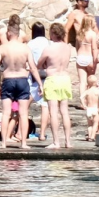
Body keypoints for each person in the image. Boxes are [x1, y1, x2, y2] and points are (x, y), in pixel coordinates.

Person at [0, 19, 37, 146]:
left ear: (8, 33)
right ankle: (23, 143)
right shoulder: (25, 48)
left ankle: (3, 143)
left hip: (8, 80)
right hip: (22, 80)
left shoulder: (2, 48)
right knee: (23, 114)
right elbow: (33, 68)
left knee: (6, 113)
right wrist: (39, 83)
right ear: (18, 34)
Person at [37, 20, 77, 149]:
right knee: (65, 112)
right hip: (65, 79)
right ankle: (68, 142)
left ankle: (56, 142)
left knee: (53, 112)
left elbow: (38, 64)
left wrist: (45, 65)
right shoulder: (68, 48)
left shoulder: (49, 48)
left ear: (53, 34)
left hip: (53, 79)